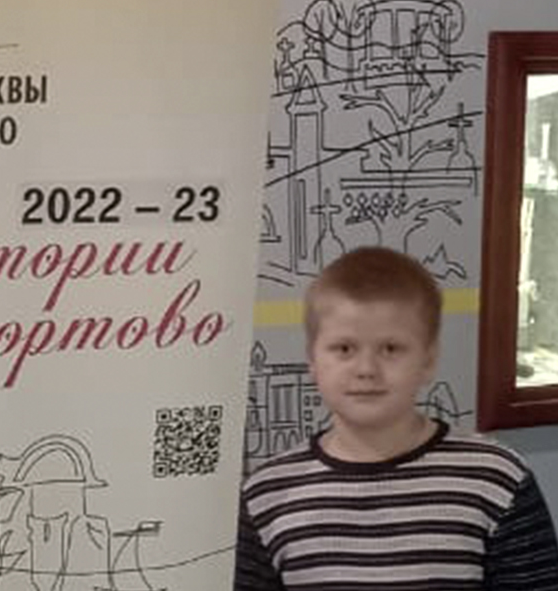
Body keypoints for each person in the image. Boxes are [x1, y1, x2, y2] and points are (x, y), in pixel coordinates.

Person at [236, 245, 558, 590]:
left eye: (391, 349)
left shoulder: (498, 480)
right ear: (312, 361)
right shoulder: (266, 496)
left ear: (428, 361)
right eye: (344, 349)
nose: (366, 369)